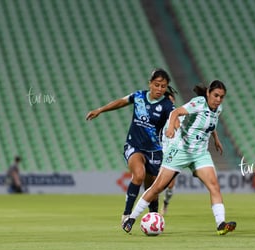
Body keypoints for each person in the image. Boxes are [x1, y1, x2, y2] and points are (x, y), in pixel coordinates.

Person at [123, 80, 236, 235]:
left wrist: (216, 139)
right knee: (158, 187)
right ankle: (131, 218)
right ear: (208, 93)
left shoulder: (218, 109)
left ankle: (221, 224)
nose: (218, 100)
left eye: (221, 97)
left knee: (214, 185)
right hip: (180, 150)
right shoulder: (198, 103)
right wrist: (170, 128)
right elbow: (175, 113)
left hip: (200, 153)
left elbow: (210, 124)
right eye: (216, 95)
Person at [86, 68, 176, 224]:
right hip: (133, 145)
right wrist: (100, 110)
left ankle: (153, 217)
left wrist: (174, 128)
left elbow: (176, 118)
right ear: (150, 84)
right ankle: (126, 214)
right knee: (139, 175)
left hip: (154, 151)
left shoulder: (167, 105)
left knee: (152, 187)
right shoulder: (139, 96)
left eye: (163, 86)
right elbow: (121, 102)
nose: (159, 89)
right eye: (157, 85)